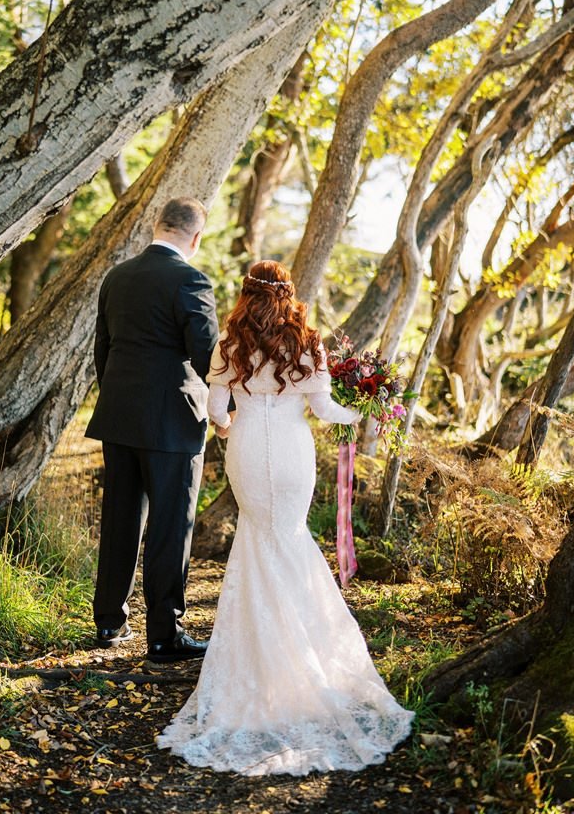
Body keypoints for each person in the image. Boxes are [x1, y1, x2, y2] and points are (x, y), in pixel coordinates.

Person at [156, 260, 414, 775]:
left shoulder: (230, 344)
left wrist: (228, 427)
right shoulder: (308, 342)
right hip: (295, 457)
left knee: (257, 542)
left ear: (246, 295)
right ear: (289, 294)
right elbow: (323, 409)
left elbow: (216, 409)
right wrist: (366, 408)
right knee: (290, 540)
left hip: (248, 453)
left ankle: (259, 665)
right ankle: (307, 661)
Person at [86, 197, 219, 662]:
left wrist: (119, 400)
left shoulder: (117, 277)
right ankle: (164, 636)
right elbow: (206, 356)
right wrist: (227, 408)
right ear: (196, 238)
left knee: (120, 520)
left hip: (118, 418)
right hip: (173, 423)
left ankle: (109, 623)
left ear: (156, 225)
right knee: (169, 527)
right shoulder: (191, 280)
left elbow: (103, 349)